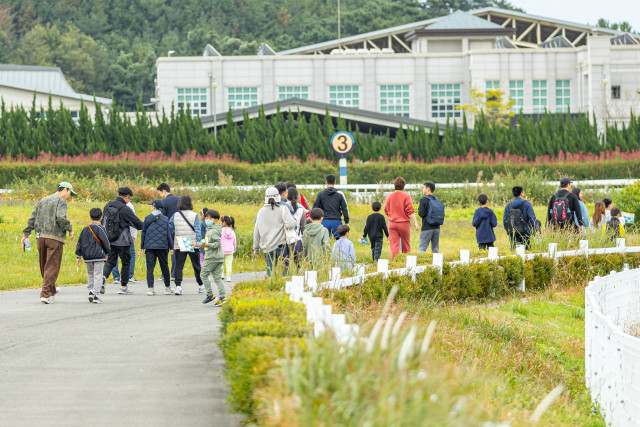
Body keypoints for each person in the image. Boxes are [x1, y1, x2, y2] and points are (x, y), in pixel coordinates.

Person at [22, 182, 76, 304]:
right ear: (65, 190)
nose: (69, 196)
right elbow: (61, 218)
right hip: (55, 237)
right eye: (70, 193)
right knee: (52, 266)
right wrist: (70, 228)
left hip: (40, 237)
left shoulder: (42, 200)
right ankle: (45, 294)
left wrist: (26, 234)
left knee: (44, 266)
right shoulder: (61, 201)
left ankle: (51, 289)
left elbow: (32, 218)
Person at [102, 187, 144, 295]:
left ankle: (103, 277)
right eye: (129, 199)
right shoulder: (125, 209)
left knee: (110, 261)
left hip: (109, 239)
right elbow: (137, 223)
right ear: (127, 197)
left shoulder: (108, 205)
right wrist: (146, 225)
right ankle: (123, 286)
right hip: (122, 240)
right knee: (126, 262)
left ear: (118, 194)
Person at [253, 187, 297, 277]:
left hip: (267, 247)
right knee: (285, 271)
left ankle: (271, 288)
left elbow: (256, 231)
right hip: (282, 246)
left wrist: (256, 249)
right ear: (278, 196)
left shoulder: (261, 212)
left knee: (270, 270)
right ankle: (284, 288)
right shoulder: (283, 208)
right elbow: (291, 225)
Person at [169, 195, 203, 295]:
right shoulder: (194, 215)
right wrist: (198, 242)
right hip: (192, 242)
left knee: (179, 265)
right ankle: (201, 285)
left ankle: (178, 286)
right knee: (196, 265)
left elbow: (170, 227)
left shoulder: (175, 215)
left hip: (180, 242)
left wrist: (173, 236)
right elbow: (198, 230)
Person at [139, 199, 173, 296]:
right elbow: (168, 234)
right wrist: (171, 247)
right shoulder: (165, 219)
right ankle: (167, 288)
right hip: (162, 247)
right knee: (164, 267)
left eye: (151, 206)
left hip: (149, 247)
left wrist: (142, 246)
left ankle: (150, 289)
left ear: (154, 207)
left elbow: (143, 233)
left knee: (150, 268)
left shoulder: (147, 218)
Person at [75, 207, 110, 304]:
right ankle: (96, 294)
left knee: (90, 273)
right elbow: (105, 242)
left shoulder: (85, 229)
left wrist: (78, 256)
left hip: (87, 256)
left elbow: (80, 242)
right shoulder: (101, 228)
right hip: (98, 255)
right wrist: (107, 253)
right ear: (101, 217)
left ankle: (91, 290)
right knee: (98, 274)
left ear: (90, 217)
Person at [384, 177, 420, 260]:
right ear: (403, 186)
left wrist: (391, 216)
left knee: (394, 246)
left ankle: (395, 263)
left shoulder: (389, 196)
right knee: (406, 246)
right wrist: (415, 222)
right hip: (404, 224)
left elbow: (386, 210)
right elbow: (410, 210)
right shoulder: (406, 196)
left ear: (394, 185)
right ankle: (406, 263)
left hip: (392, 223)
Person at [200, 210, 226, 306]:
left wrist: (207, 244)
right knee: (217, 278)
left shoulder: (213, 231)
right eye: (206, 218)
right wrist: (197, 244)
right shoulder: (211, 229)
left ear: (215, 220)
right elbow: (206, 243)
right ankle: (222, 297)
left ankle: (210, 295)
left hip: (212, 257)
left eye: (209, 218)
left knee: (203, 275)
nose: (207, 220)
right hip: (218, 257)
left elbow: (216, 244)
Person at [108, 200, 138, 284]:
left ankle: (116, 277)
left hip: (112, 235)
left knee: (113, 257)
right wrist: (134, 234)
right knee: (129, 256)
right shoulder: (129, 206)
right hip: (125, 236)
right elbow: (133, 221)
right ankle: (129, 276)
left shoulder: (111, 204)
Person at [312, 174, 349, 239]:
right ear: (335, 182)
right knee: (340, 242)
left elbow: (315, 208)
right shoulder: (340, 194)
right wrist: (346, 221)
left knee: (324, 243)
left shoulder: (320, 194)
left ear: (326, 182)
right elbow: (344, 208)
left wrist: (314, 220)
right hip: (337, 221)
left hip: (324, 221)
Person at [157, 183, 180, 280]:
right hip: (179, 228)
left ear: (164, 191)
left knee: (164, 252)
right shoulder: (179, 199)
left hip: (167, 229)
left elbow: (162, 217)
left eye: (160, 193)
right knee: (175, 252)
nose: (160, 195)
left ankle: (164, 274)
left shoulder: (164, 201)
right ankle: (174, 274)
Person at [418, 181, 445, 254]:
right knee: (435, 249)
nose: (422, 190)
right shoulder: (436, 199)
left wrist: (419, 207)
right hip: (437, 228)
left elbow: (421, 214)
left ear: (428, 189)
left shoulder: (423, 200)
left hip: (427, 227)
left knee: (422, 248)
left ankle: (421, 264)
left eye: (423, 188)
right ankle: (437, 265)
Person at [287, 187, 308, 269]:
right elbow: (303, 226)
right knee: (296, 261)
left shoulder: (283, 206)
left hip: (285, 238)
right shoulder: (301, 208)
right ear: (297, 197)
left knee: (286, 261)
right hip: (297, 238)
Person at [221, 216, 237, 282]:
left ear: (224, 222)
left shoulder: (220, 231)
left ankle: (221, 275)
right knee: (229, 263)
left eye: (221, 222)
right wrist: (234, 249)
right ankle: (228, 277)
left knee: (220, 263)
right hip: (230, 250)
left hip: (221, 250)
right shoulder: (232, 232)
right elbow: (234, 241)